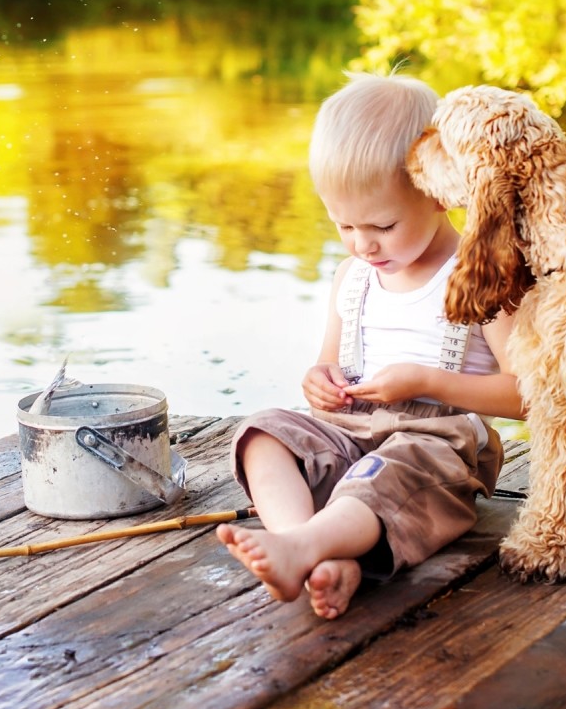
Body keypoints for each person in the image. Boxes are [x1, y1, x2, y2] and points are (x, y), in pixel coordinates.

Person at [217, 70, 525, 619]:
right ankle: (308, 548)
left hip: (437, 445)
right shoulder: (353, 278)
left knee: (390, 471)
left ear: (438, 192)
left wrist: (428, 382)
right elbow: (327, 366)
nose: (363, 244)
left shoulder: (479, 277)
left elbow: (529, 395)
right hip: (353, 430)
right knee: (262, 434)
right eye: (344, 226)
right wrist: (320, 384)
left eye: (381, 224)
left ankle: (311, 545)